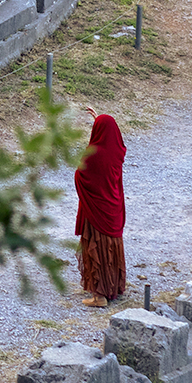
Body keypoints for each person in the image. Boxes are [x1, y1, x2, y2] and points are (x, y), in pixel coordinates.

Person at [74, 112, 128, 306]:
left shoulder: (94, 154)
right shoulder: (117, 152)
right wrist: (101, 119)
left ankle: (99, 296)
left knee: (96, 248)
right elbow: (113, 138)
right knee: (111, 248)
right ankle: (113, 288)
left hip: (96, 210)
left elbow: (81, 176)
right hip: (112, 208)